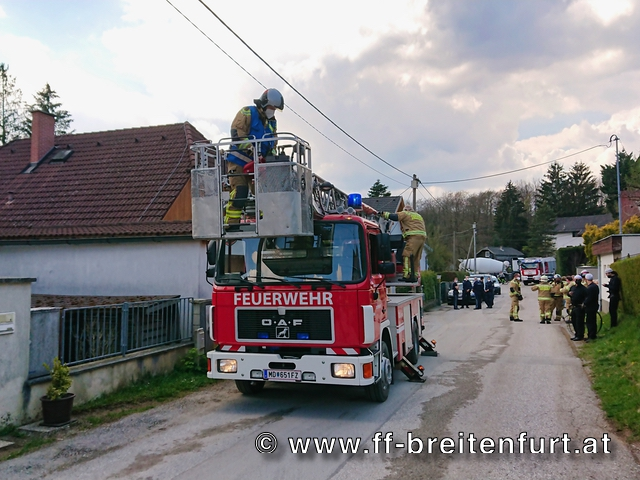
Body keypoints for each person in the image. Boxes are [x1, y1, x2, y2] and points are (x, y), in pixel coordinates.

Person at [225, 88, 284, 225]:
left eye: (275, 109)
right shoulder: (247, 112)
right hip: (239, 161)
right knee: (240, 192)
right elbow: (237, 133)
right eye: (271, 108)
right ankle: (231, 224)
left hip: (258, 165)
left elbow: (273, 142)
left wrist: (272, 157)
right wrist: (251, 148)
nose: (272, 111)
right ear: (263, 104)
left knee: (264, 195)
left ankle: (266, 223)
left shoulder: (272, 122)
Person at [382, 205, 427, 282]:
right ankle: (415, 275)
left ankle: (407, 275)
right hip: (422, 237)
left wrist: (383, 214)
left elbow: (394, 217)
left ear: (406, 210)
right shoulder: (418, 216)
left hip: (413, 237)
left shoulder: (406, 213)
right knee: (416, 257)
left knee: (407, 255)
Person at [569, 275, 587, 341]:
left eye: (578, 280)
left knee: (579, 322)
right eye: (576, 279)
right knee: (574, 321)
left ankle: (580, 335)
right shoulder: (573, 287)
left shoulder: (583, 289)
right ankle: (576, 334)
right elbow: (569, 293)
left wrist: (584, 304)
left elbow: (586, 297)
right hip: (574, 307)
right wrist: (569, 294)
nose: (577, 281)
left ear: (581, 280)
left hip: (580, 307)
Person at [584, 273, 600, 341]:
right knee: (593, 321)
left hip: (590, 306)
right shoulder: (595, 286)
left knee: (590, 322)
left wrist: (584, 303)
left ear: (586, 279)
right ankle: (592, 335)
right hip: (594, 305)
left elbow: (589, 298)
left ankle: (591, 336)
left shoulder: (590, 288)